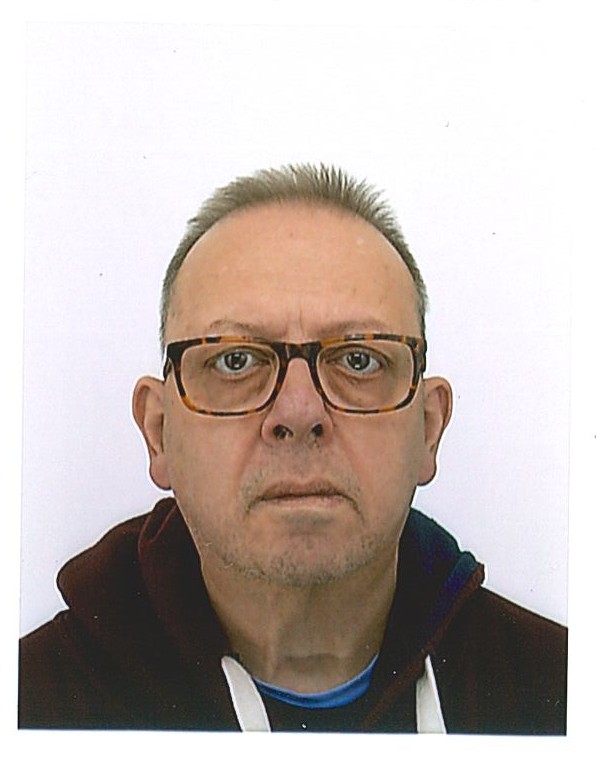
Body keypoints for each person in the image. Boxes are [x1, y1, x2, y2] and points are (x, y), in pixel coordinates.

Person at [18, 164, 567, 733]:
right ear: (159, 433)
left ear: (429, 429)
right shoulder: (30, 705)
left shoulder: (563, 692)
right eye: (235, 360)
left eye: (359, 359)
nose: (300, 413)